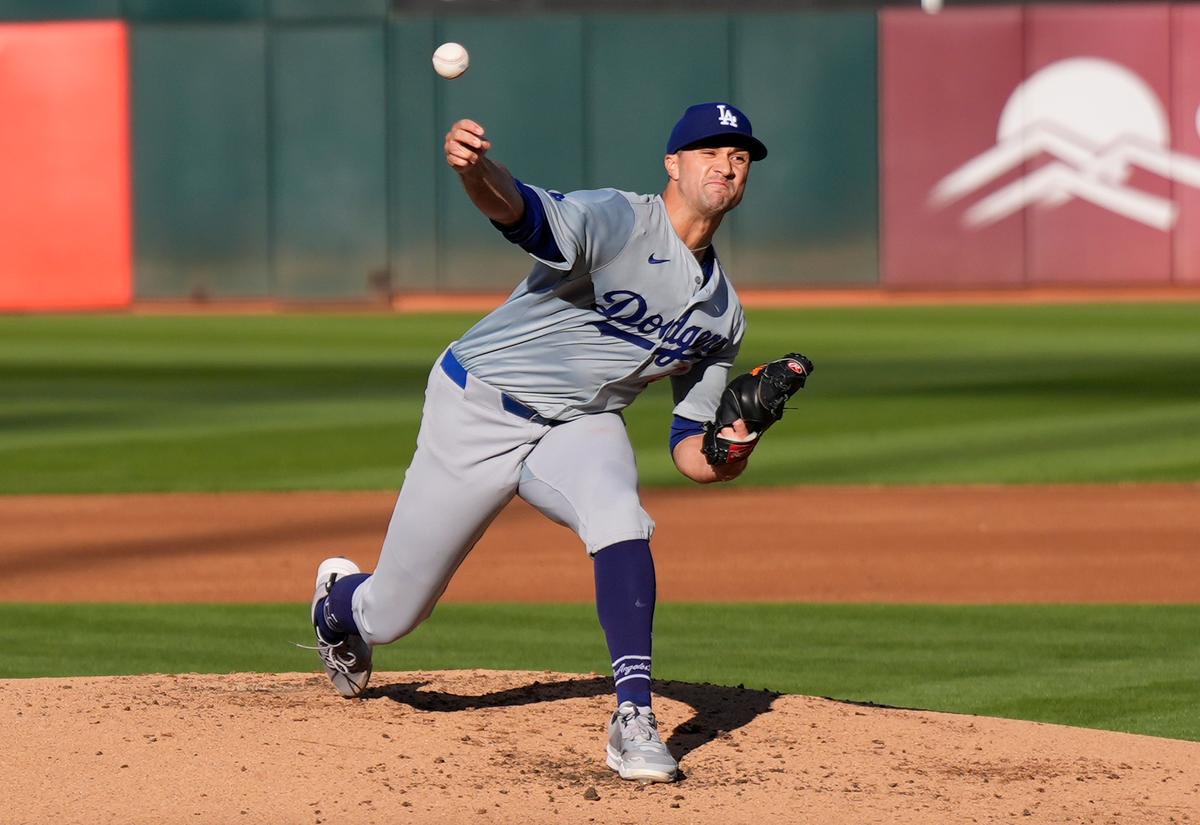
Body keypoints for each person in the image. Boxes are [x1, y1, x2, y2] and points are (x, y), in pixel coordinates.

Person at [309, 102, 780, 784]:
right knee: (393, 613)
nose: (726, 164)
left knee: (622, 516)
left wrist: (736, 442)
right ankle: (336, 603)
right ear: (673, 164)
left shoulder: (723, 315)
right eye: (710, 150)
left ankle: (634, 717)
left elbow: (689, 450)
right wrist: (478, 171)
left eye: (739, 157)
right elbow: (521, 212)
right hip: (478, 407)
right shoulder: (619, 219)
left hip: (582, 424)